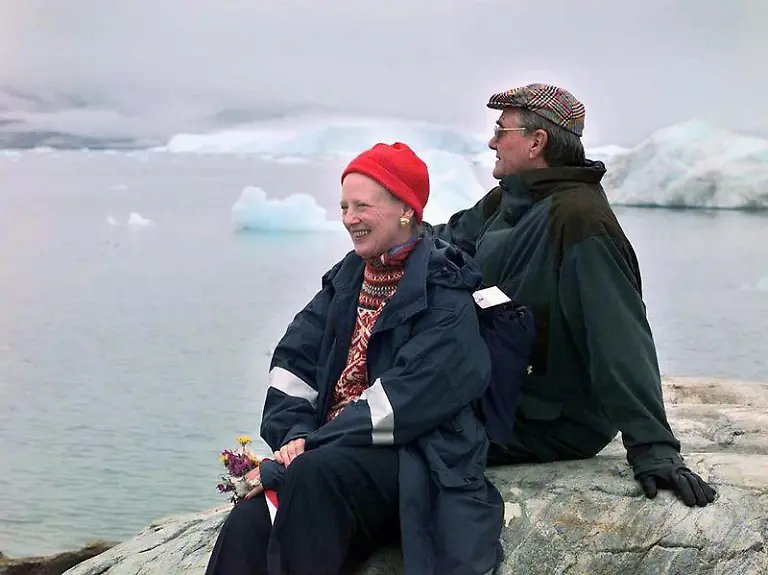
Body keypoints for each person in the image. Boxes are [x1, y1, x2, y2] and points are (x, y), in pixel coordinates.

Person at [205, 142, 505, 575]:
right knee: (251, 519)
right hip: (325, 457)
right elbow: (293, 365)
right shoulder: (347, 279)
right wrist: (294, 432)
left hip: (411, 458)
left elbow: (407, 400)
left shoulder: (444, 290)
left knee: (310, 477)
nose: (349, 218)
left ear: (406, 208)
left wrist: (309, 447)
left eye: (362, 205)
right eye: (344, 205)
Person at [428, 83, 717, 508]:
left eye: (500, 130)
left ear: (536, 142)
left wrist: (653, 447)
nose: (491, 141)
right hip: (500, 396)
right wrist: (385, 237)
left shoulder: (580, 218)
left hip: (552, 418)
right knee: (376, 419)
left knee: (407, 443)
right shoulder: (507, 201)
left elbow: (619, 336)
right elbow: (444, 244)